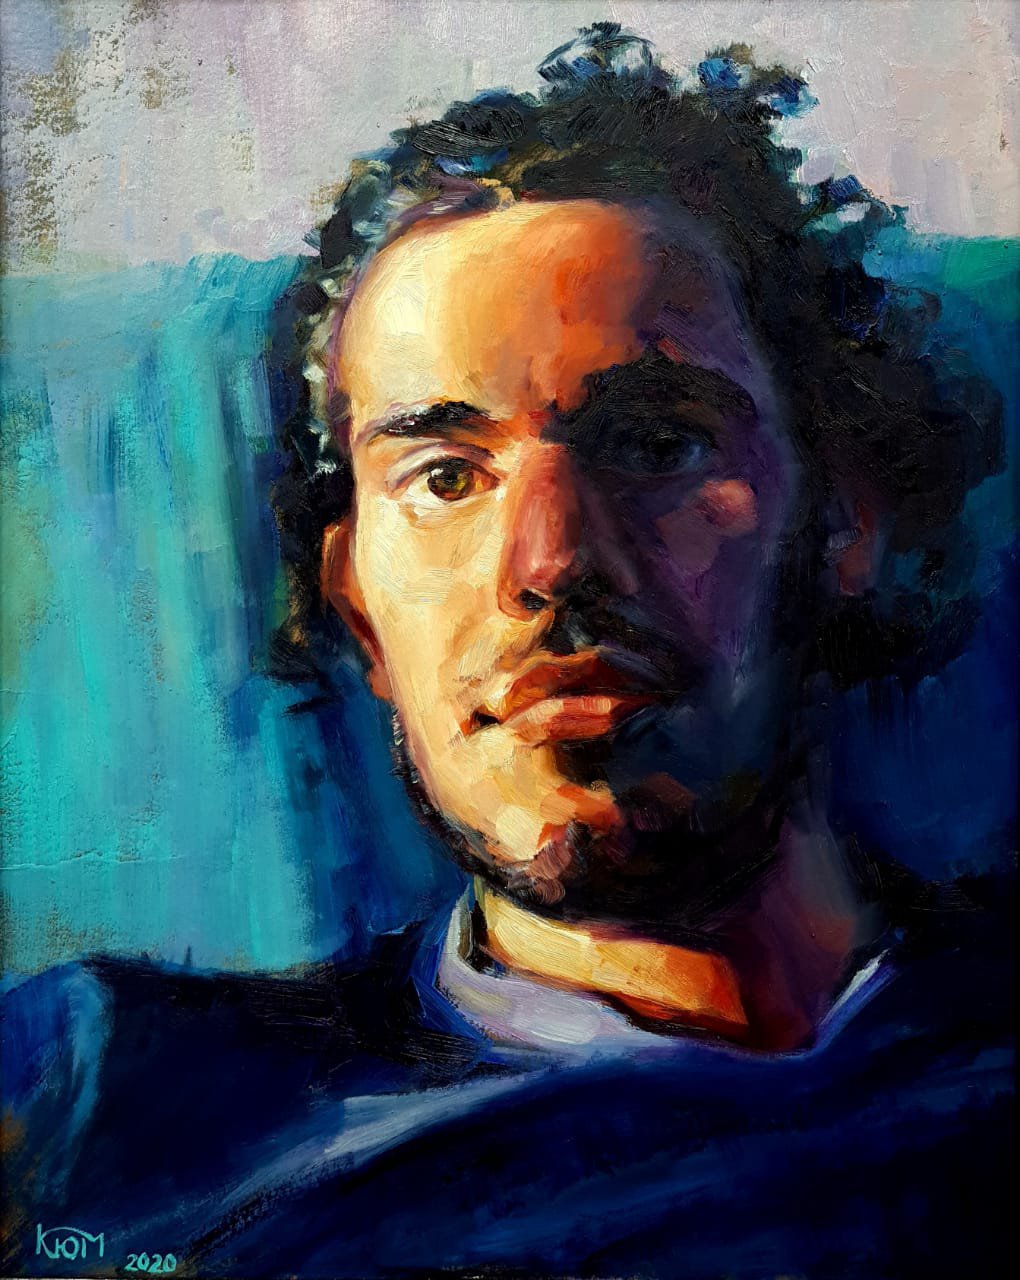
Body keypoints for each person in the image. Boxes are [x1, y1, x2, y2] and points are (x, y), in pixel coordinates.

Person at [2, 25, 1012, 1280]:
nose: (549, 562)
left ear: (845, 519)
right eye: (443, 474)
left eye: (658, 445)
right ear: (355, 601)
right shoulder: (100, 1093)